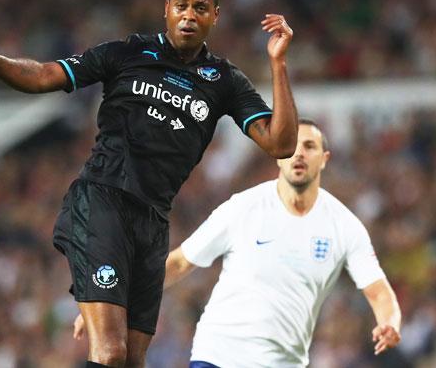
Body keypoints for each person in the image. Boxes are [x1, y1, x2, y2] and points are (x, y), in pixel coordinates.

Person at [0, 0, 298, 368]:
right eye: (181, 5)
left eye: (200, 7)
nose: (189, 15)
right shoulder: (127, 53)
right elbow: (47, 75)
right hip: (103, 201)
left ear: (215, 15)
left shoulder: (225, 81)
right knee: (111, 353)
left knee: (132, 361)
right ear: (166, 9)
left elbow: (281, 143)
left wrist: (278, 62)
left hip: (152, 221)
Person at [75, 119, 402, 367]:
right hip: (219, 354)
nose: (299, 154)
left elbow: (378, 291)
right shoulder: (243, 207)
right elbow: (178, 263)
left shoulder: (344, 225)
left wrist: (390, 322)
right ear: (278, 156)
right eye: (291, 146)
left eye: (310, 147)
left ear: (325, 158)